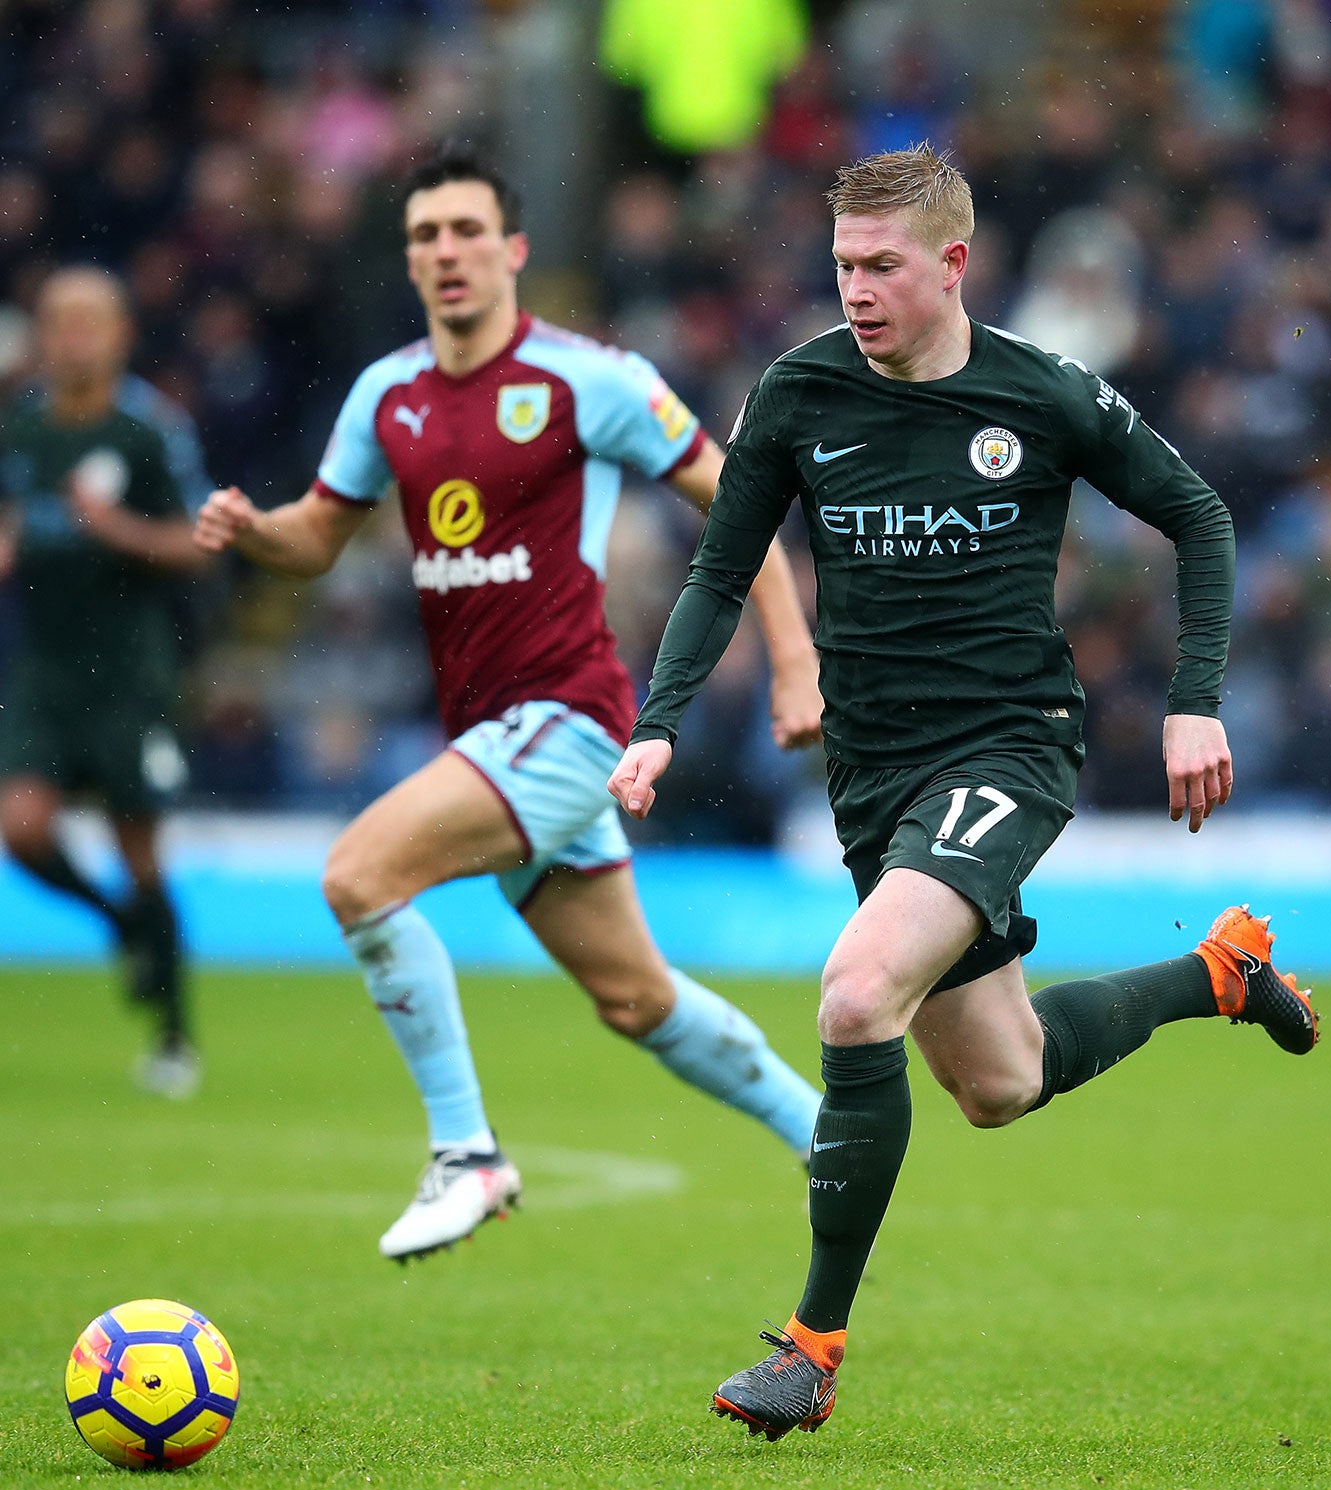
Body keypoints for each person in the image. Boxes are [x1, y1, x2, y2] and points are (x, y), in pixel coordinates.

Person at [608, 144, 1319, 1440]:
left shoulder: (1041, 394)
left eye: (883, 266)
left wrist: (1194, 697)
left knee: (857, 990)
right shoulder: (799, 393)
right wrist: (656, 725)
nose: (859, 291)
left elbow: (1199, 514)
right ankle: (1220, 974)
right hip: (873, 776)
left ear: (952, 265)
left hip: (1006, 751)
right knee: (1001, 1081)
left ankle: (810, 1349)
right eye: (842, 267)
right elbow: (721, 570)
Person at [193, 148, 827, 1263]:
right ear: (409, 258)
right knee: (636, 1000)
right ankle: (829, 1134)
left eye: (466, 230)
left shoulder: (590, 381)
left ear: (513, 249)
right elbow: (316, 535)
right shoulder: (385, 396)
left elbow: (736, 501)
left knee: (357, 875)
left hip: (569, 716)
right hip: (492, 734)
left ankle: (466, 1155)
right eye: (424, 235)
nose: (445, 251)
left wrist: (791, 661)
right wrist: (255, 531)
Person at [0, 267, 214, 1098]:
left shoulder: (148, 431)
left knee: (141, 852)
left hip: (130, 671)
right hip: (46, 671)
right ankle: (118, 924)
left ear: (121, 334)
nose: (73, 337)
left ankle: (173, 1036)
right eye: (59, 322)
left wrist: (113, 527)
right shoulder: (21, 432)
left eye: (90, 322)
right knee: (21, 828)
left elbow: (199, 543)